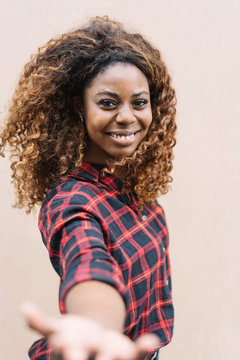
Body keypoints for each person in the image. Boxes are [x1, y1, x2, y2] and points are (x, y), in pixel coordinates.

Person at [0, 16, 176, 360]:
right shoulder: (71, 199)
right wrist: (96, 325)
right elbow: (88, 260)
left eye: (139, 102)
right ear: (79, 109)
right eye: (108, 103)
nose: (127, 116)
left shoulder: (128, 182)